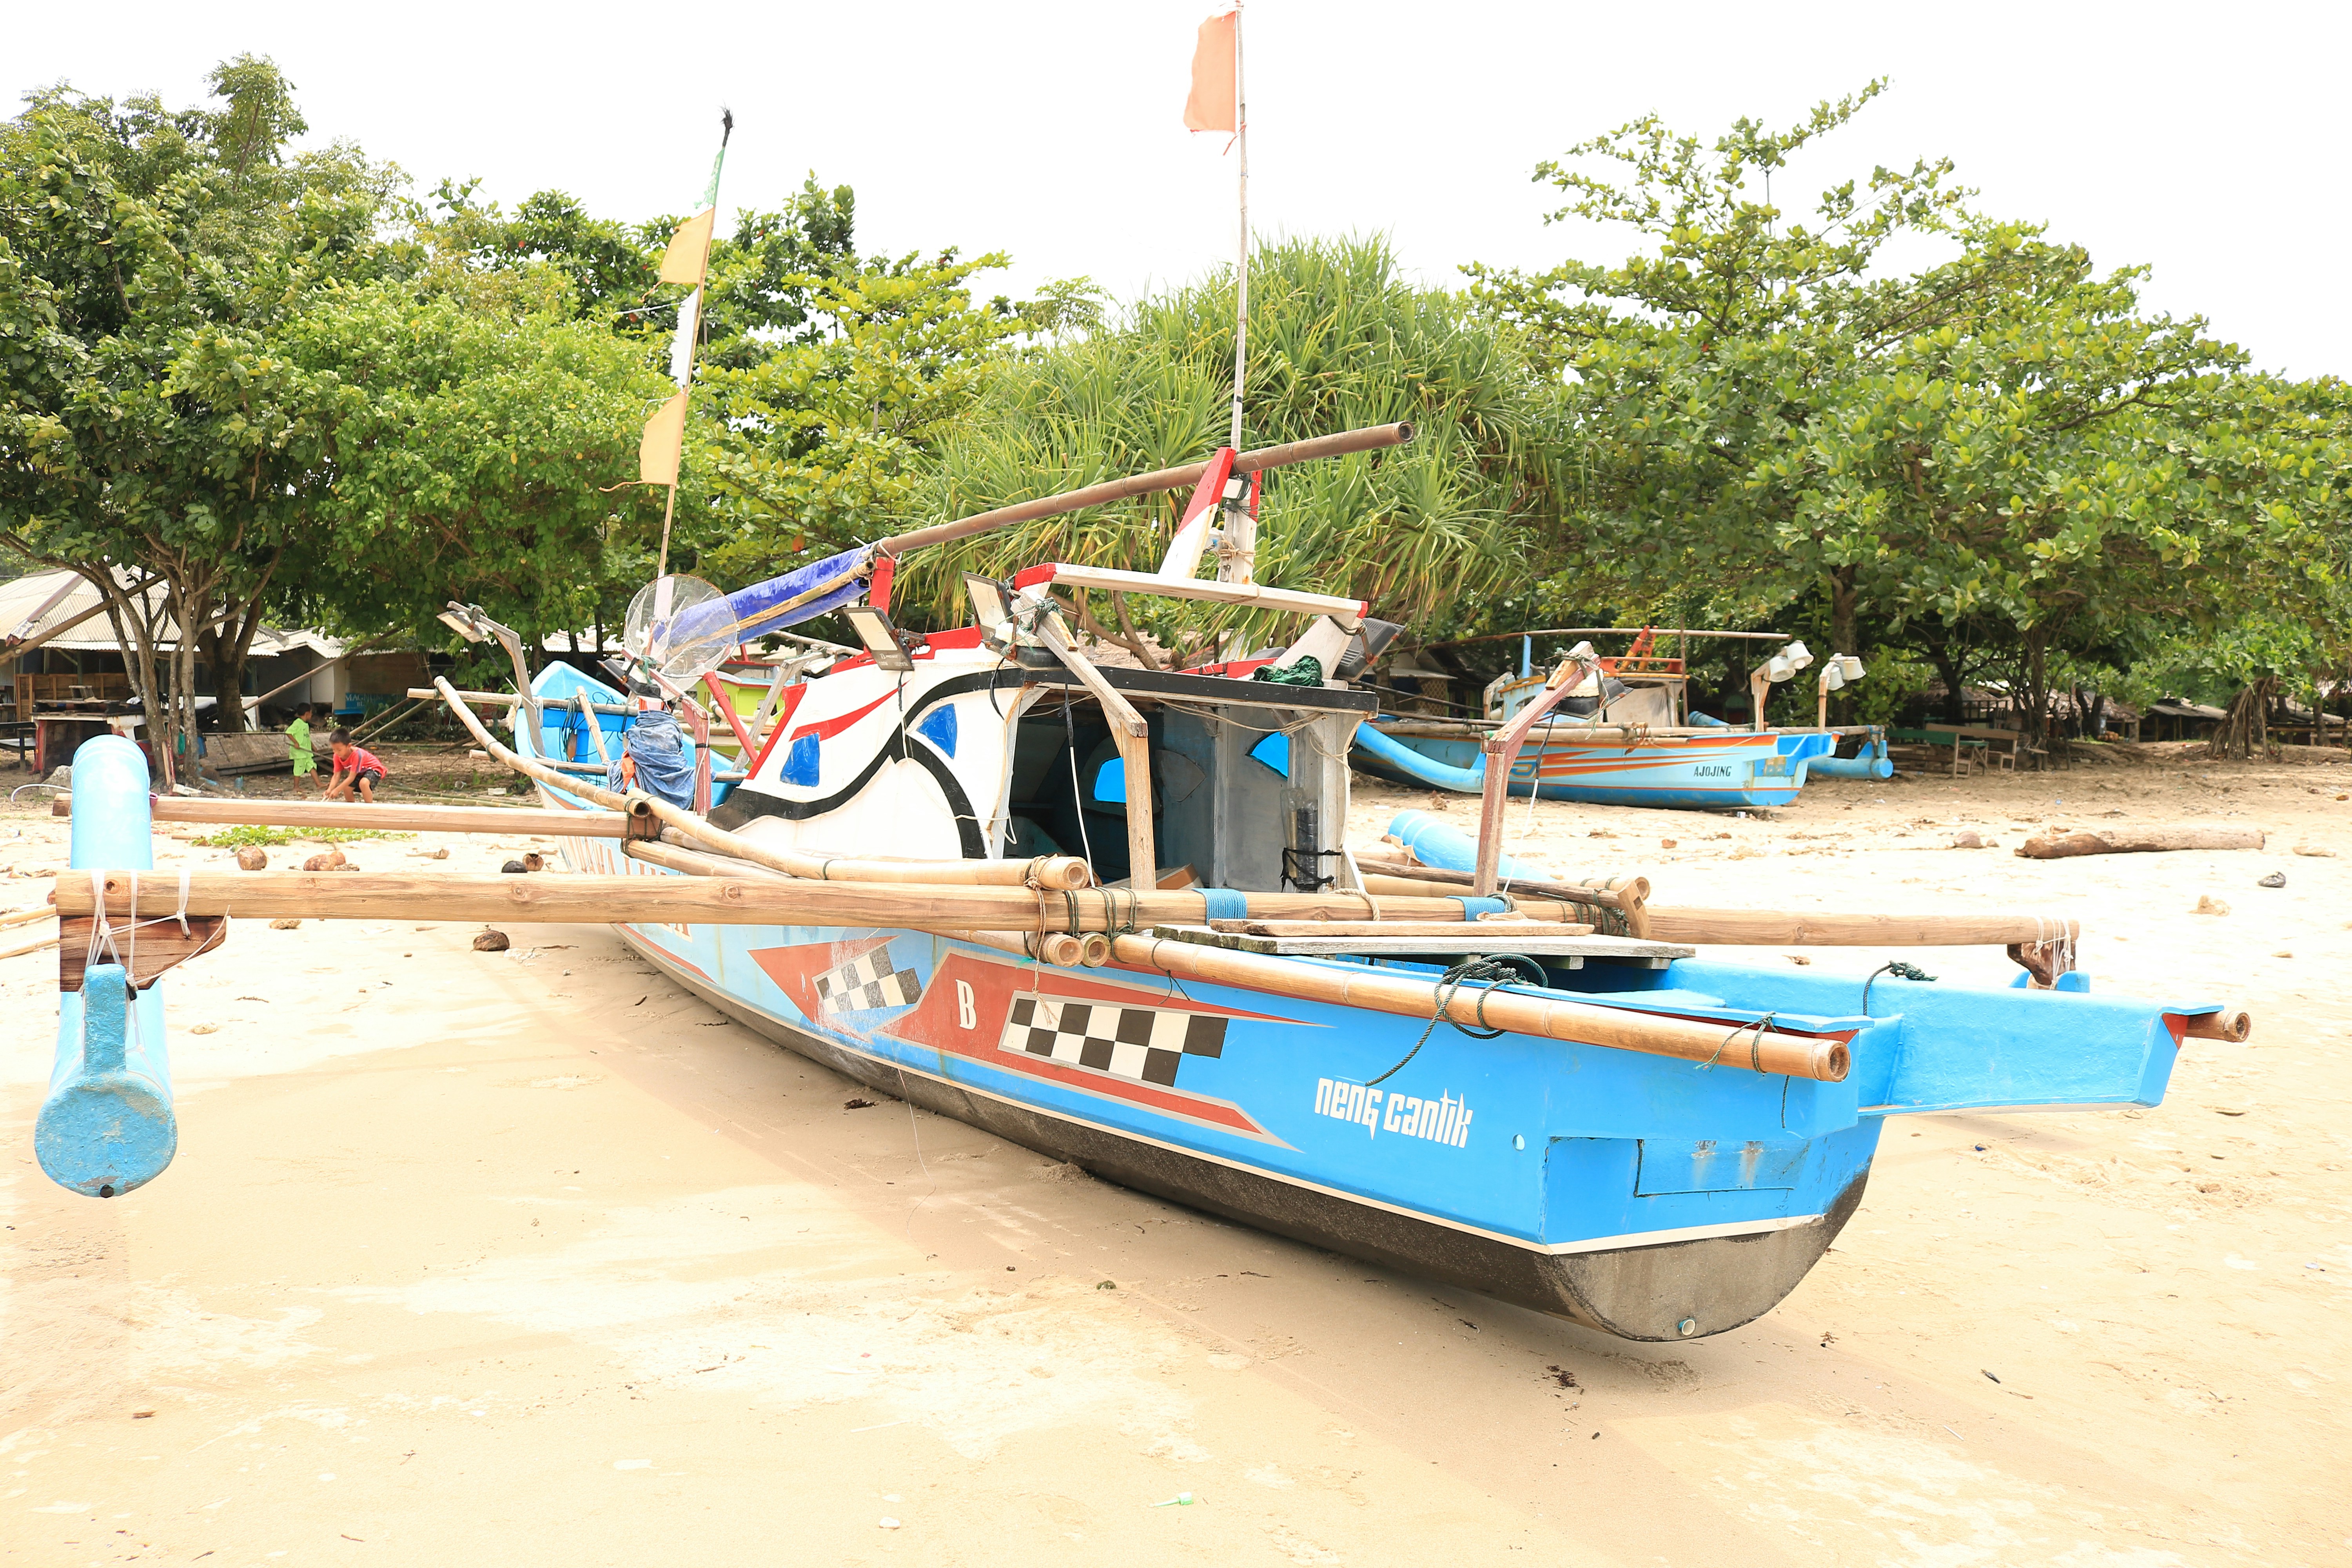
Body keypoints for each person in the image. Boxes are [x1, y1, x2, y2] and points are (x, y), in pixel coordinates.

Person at [323, 730, 387, 802]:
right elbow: (336, 775)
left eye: (339, 750)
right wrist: (330, 789)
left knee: (364, 783)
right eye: (334, 750)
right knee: (347, 788)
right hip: (360, 772)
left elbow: (351, 777)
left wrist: (337, 790)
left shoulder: (357, 755)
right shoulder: (337, 756)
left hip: (373, 769)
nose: (336, 753)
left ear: (349, 746)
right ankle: (352, 808)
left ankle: (369, 808)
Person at [287, 704, 325, 792]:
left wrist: (313, 746)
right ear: (307, 713)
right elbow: (288, 732)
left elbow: (307, 737)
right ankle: (296, 787)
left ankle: (319, 784)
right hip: (299, 753)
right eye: (311, 713)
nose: (311, 715)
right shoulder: (298, 723)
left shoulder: (306, 725)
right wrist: (296, 743)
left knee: (312, 766)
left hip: (307, 752)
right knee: (298, 769)